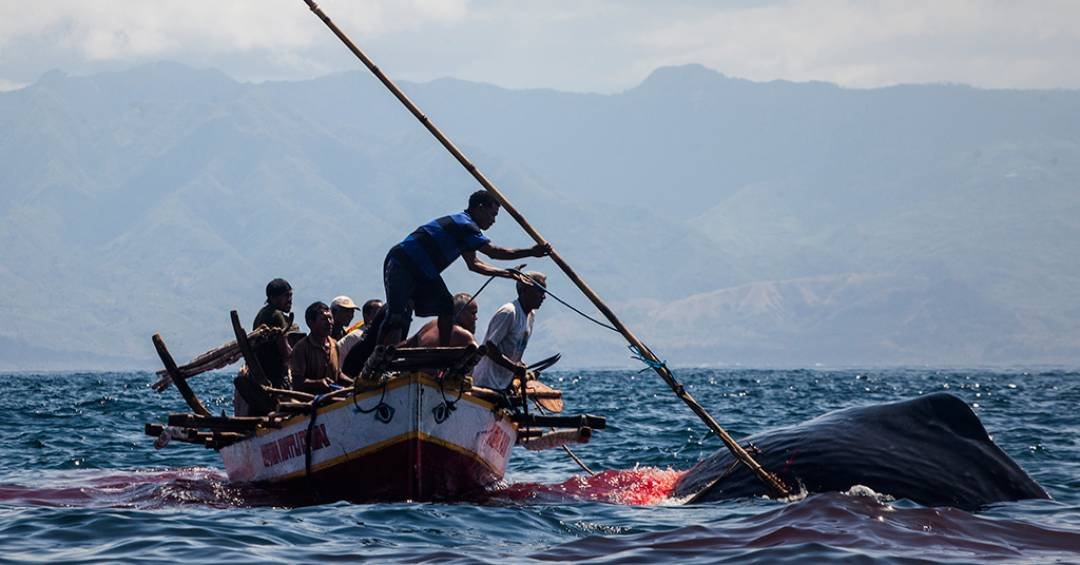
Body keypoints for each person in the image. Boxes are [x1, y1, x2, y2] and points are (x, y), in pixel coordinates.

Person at [377, 190, 550, 348]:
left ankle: (443, 350)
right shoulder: (465, 225)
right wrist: (531, 252)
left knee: (446, 306)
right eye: (492, 214)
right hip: (402, 263)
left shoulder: (466, 233)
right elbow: (493, 252)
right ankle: (381, 357)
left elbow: (474, 264)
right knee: (397, 317)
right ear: (480, 208)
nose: (493, 220)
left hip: (424, 271)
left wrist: (507, 273)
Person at [471, 271, 547, 390]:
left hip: (503, 384)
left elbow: (514, 349)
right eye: (540, 291)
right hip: (486, 382)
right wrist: (514, 368)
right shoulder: (509, 312)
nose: (544, 297)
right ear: (525, 290)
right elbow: (489, 348)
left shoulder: (531, 315)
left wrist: (519, 364)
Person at [290, 302, 350, 394]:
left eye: (330, 318)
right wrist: (318, 383)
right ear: (310, 323)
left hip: (332, 397)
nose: (329, 322)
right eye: (323, 319)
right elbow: (297, 382)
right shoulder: (301, 348)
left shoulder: (334, 344)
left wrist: (355, 383)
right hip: (310, 400)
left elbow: (338, 374)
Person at [252, 278, 293, 389]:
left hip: (261, 372)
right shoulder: (276, 315)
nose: (290, 300)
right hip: (275, 377)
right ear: (273, 298)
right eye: (286, 296)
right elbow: (286, 352)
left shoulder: (262, 313)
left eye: (290, 296)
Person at [404, 293, 478, 348]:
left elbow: (406, 344)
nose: (476, 318)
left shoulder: (431, 325)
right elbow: (480, 355)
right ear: (460, 312)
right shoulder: (464, 336)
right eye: (473, 313)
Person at [337, 298, 383, 370]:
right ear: (366, 316)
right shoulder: (355, 337)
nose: (382, 316)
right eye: (378, 313)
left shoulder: (384, 337)